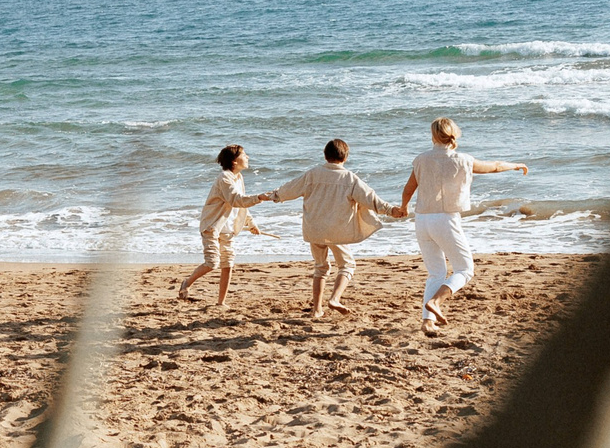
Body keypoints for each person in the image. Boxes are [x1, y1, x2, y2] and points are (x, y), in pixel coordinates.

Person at [396, 117, 527, 332]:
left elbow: (408, 188)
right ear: (454, 135)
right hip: (445, 219)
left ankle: (427, 322)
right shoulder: (463, 159)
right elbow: (494, 167)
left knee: (436, 273)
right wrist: (515, 165)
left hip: (422, 220)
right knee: (465, 269)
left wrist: (403, 207)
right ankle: (436, 302)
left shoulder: (421, 159)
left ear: (433, 136)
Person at [257, 138, 390, 316]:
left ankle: (317, 309)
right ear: (345, 157)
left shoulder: (313, 174)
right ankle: (334, 299)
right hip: (337, 230)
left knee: (320, 267)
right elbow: (370, 198)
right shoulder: (349, 178)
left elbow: (290, 189)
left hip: (315, 229)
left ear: (325, 156)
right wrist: (391, 210)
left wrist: (272, 196)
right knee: (347, 265)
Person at [177, 143, 268, 305]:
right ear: (234, 161)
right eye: (244, 155)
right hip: (212, 227)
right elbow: (236, 200)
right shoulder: (224, 177)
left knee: (228, 264)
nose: (247, 157)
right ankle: (187, 283)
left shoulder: (238, 177)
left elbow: (241, 206)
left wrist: (251, 223)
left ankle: (221, 302)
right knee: (212, 263)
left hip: (228, 229)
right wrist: (259, 197)